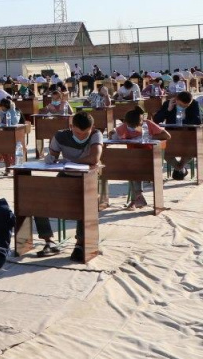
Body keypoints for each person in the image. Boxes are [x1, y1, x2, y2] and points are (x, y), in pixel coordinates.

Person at [34, 111, 103, 261]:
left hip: (87, 178)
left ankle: (80, 243)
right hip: (66, 176)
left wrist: (70, 161)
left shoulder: (96, 134)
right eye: (78, 133)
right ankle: (49, 241)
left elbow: (94, 158)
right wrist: (50, 158)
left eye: (85, 133)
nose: (81, 137)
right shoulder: (60, 136)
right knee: (37, 200)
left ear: (92, 128)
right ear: (71, 127)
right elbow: (53, 155)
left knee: (84, 203)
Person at [112, 107, 170, 209]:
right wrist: (113, 133)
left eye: (136, 126)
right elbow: (112, 135)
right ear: (126, 122)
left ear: (141, 121)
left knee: (134, 168)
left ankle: (136, 198)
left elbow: (167, 136)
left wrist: (150, 137)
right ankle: (138, 198)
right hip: (134, 159)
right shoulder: (125, 126)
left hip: (150, 158)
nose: (133, 129)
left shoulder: (148, 124)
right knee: (131, 167)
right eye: (130, 127)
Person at [152, 91, 202, 179]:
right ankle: (180, 168)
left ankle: (179, 168)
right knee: (163, 151)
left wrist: (184, 119)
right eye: (182, 105)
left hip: (188, 135)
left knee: (193, 150)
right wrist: (168, 110)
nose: (184, 107)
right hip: (171, 135)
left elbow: (197, 121)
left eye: (186, 106)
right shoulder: (168, 103)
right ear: (177, 100)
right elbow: (156, 120)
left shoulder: (194, 104)